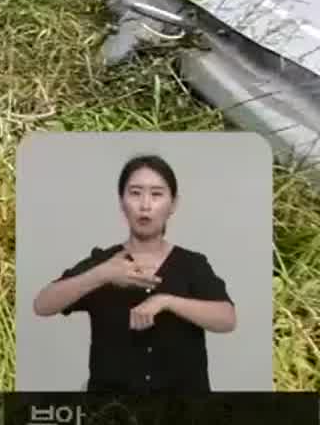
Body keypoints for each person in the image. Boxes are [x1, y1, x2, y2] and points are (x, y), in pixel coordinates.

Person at [31, 154, 237, 393]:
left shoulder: (192, 264)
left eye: (157, 194)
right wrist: (102, 275)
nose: (145, 205)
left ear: (173, 204)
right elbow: (42, 305)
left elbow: (227, 319)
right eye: (135, 193)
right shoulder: (104, 263)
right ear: (122, 202)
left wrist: (166, 301)